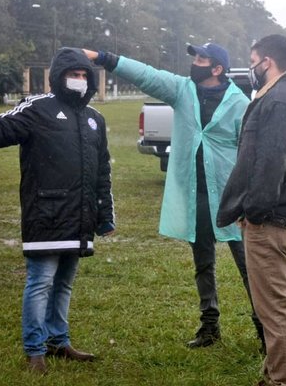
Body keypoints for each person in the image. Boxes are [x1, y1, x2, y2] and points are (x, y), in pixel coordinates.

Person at [82, 43, 264, 349]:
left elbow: (250, 155)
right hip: (196, 197)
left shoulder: (240, 104)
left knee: (249, 267)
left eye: (201, 59)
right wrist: (104, 58)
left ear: (217, 69)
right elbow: (147, 75)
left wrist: (249, 199)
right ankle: (209, 326)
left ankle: (264, 330)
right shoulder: (183, 90)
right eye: (194, 57)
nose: (195, 62)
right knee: (203, 263)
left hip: (231, 200)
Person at [0, 47, 115, 374]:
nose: (79, 81)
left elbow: (102, 172)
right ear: (58, 77)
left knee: (64, 284)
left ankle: (58, 341)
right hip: (46, 213)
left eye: (84, 76)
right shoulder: (39, 108)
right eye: (74, 75)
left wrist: (104, 214)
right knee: (40, 282)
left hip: (79, 216)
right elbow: (5, 126)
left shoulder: (96, 119)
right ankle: (34, 350)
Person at [217, 34, 286, 386]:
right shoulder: (283, 96)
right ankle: (273, 375)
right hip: (277, 217)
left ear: (268, 62)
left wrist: (255, 212)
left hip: (271, 221)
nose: (251, 68)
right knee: (272, 305)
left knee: (275, 310)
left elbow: (273, 163)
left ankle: (284, 381)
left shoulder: (280, 100)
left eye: (253, 60)